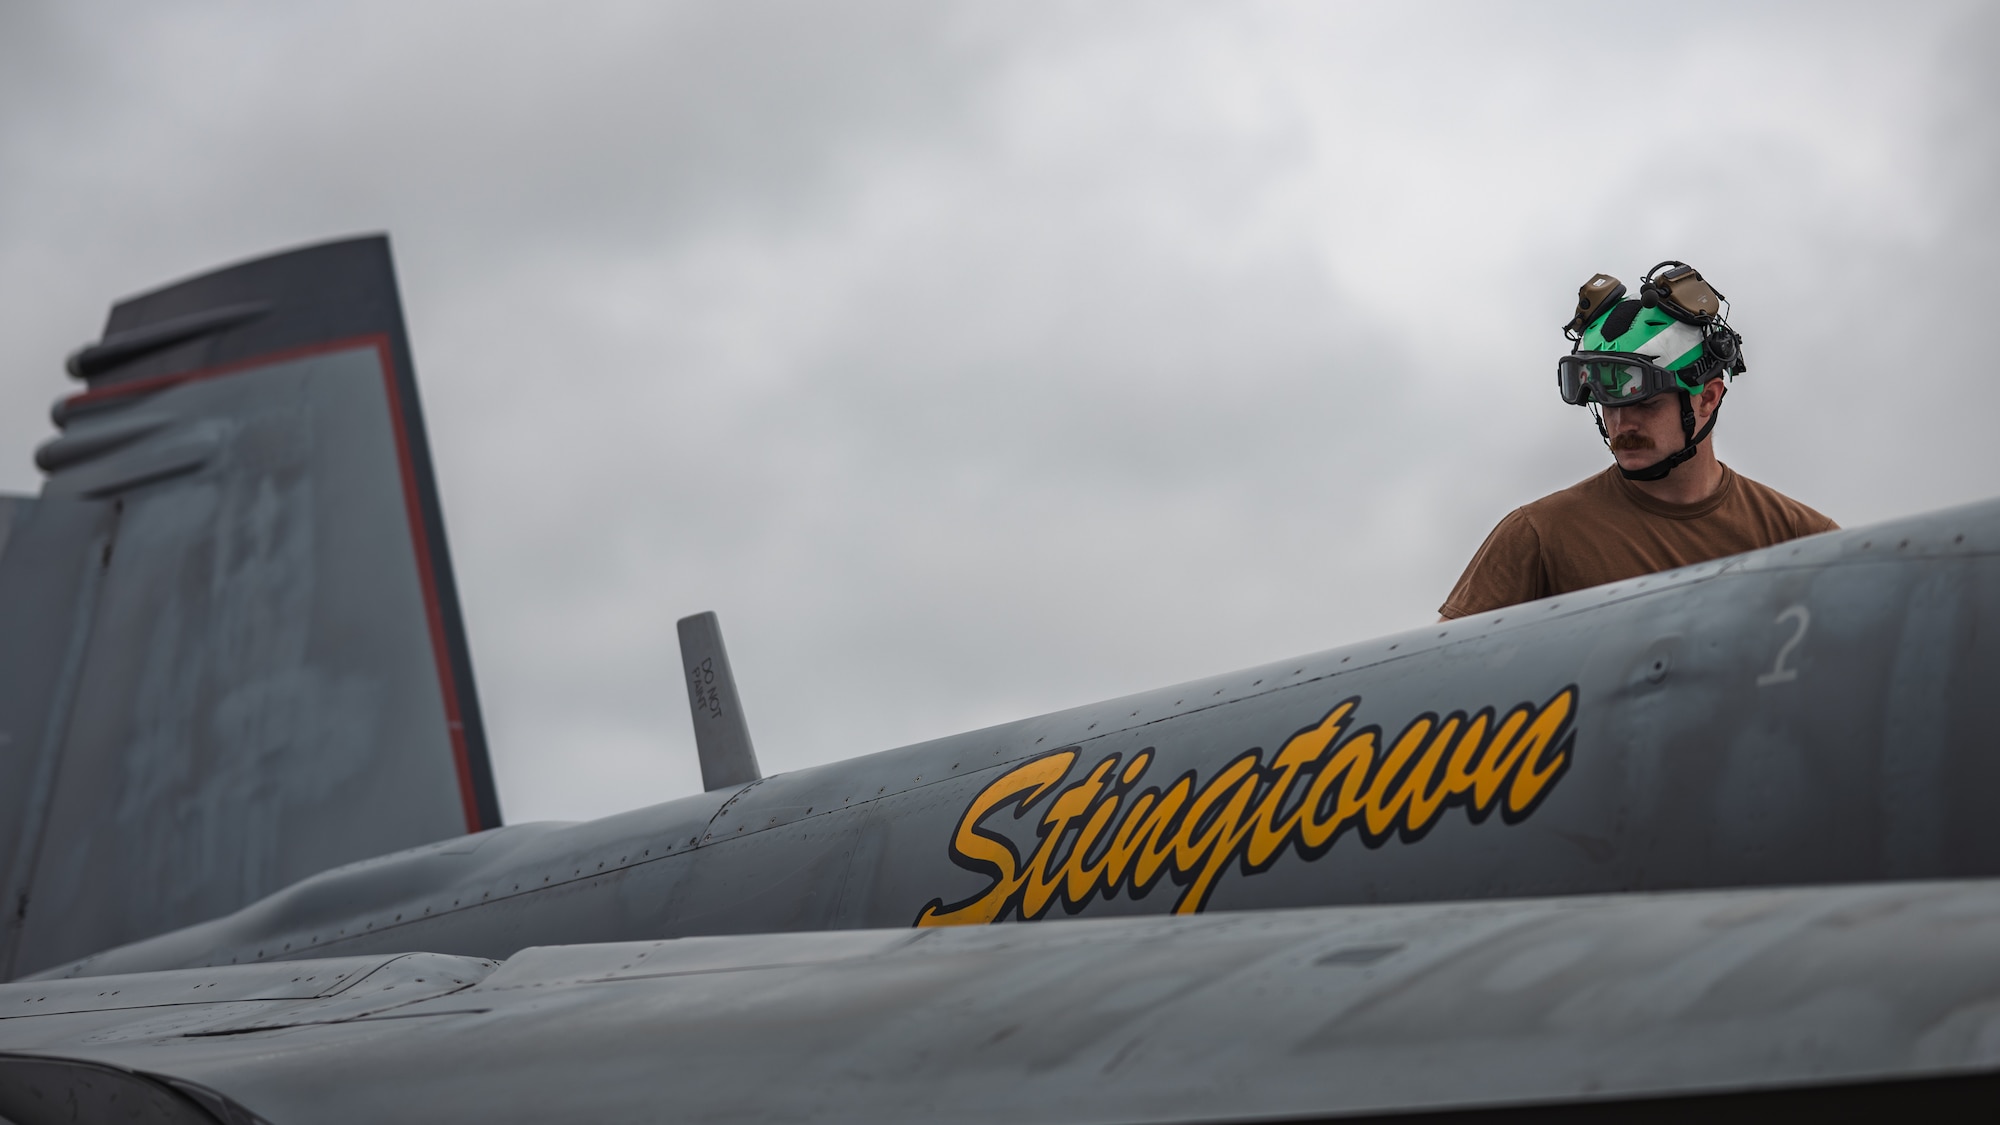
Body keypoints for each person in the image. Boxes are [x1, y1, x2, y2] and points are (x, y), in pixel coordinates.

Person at [1439, 262, 1836, 620]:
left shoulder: (1800, 538)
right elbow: (1439, 672)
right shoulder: (1539, 536)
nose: (1620, 423)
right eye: (1606, 404)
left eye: (1643, 403)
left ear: (1709, 397)